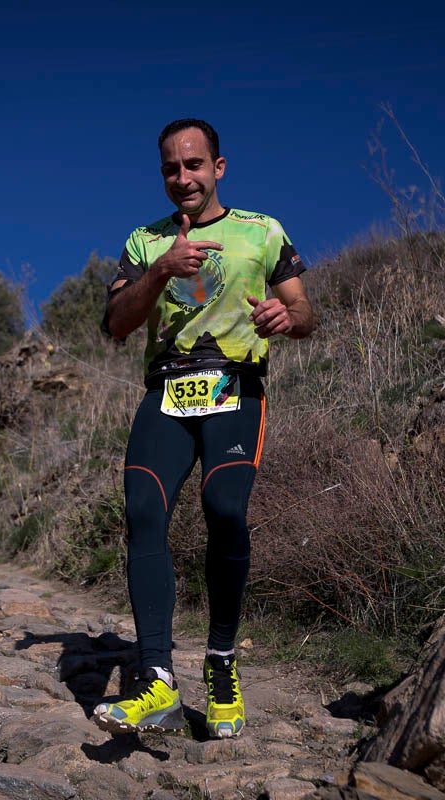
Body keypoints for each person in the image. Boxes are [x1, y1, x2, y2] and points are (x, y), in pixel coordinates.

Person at [93, 118, 316, 739]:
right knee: (143, 512)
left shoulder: (261, 230)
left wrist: (286, 316)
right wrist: (161, 269)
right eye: (171, 167)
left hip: (234, 388)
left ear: (218, 167)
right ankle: (157, 681)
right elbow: (115, 324)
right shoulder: (145, 241)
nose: (182, 177)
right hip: (166, 391)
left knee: (224, 509)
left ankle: (221, 662)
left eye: (193, 164)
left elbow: (304, 311)